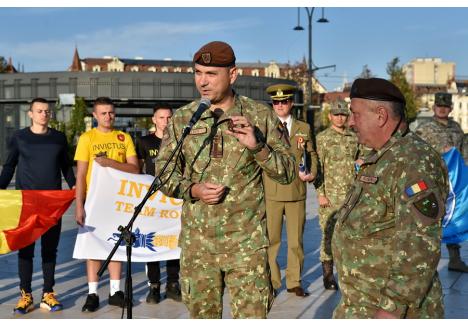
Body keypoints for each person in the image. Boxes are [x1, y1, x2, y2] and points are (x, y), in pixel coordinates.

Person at [155, 41, 295, 318]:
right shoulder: (184, 118)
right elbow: (164, 174)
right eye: (198, 73)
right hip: (198, 246)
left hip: (246, 245)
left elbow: (289, 171)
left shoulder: (259, 116)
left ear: (232, 75)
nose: (202, 82)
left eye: (211, 74)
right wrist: (193, 189)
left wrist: (258, 147)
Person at [332, 78, 449, 318]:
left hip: (391, 311)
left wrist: (392, 309)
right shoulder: (383, 156)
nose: (351, 122)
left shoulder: (413, 162)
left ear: (381, 116)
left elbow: (420, 246)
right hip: (363, 303)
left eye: (355, 114)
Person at [0, 97, 76, 314]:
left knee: (50, 250)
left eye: (47, 111)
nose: (44, 114)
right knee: (26, 250)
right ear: (30, 114)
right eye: (40, 111)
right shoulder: (19, 138)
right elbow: (9, 166)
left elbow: (66, 168)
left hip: (52, 203)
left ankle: (48, 294)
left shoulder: (59, 138)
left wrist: (75, 188)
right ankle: (25, 294)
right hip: (26, 203)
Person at [74, 96, 140, 312]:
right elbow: (81, 174)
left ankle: (115, 291)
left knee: (116, 245)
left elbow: (134, 169)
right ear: (94, 115)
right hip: (94, 201)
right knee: (93, 247)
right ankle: (92, 293)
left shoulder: (124, 137)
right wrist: (78, 205)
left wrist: (110, 163)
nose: (108, 116)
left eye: (111, 112)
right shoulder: (87, 138)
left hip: (118, 201)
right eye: (103, 113)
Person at [263, 83, 317, 297]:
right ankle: (273, 282)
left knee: (296, 241)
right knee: (272, 242)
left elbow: (311, 155)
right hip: (272, 192)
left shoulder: (303, 128)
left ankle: (294, 281)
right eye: (276, 102)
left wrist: (312, 173)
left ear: (291, 103)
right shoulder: (266, 128)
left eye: (284, 101)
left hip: (296, 192)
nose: (279, 105)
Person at [415, 92, 468, 273]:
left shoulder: (456, 128)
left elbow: (463, 152)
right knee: (431, 217)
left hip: (454, 182)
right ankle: (428, 261)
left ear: (451, 109)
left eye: (446, 106)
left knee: (454, 216)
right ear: (434, 108)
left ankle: (455, 259)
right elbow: (417, 151)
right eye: (439, 106)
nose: (442, 109)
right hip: (433, 180)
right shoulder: (424, 127)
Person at [135, 106, 182, 303]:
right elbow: (136, 171)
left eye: (169, 117)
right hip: (152, 201)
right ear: (154, 119)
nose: (165, 120)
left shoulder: (180, 140)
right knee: (151, 241)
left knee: (172, 241)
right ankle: (154, 286)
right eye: (161, 117)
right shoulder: (145, 142)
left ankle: (173, 284)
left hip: (173, 200)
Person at [315, 99, 358, 290]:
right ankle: (328, 275)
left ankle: (347, 272)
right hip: (330, 197)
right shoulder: (322, 138)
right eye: (336, 114)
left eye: (343, 115)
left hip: (350, 196)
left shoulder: (354, 138)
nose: (340, 118)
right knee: (328, 234)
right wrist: (320, 193)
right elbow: (318, 168)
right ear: (330, 116)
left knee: (349, 235)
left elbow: (358, 163)